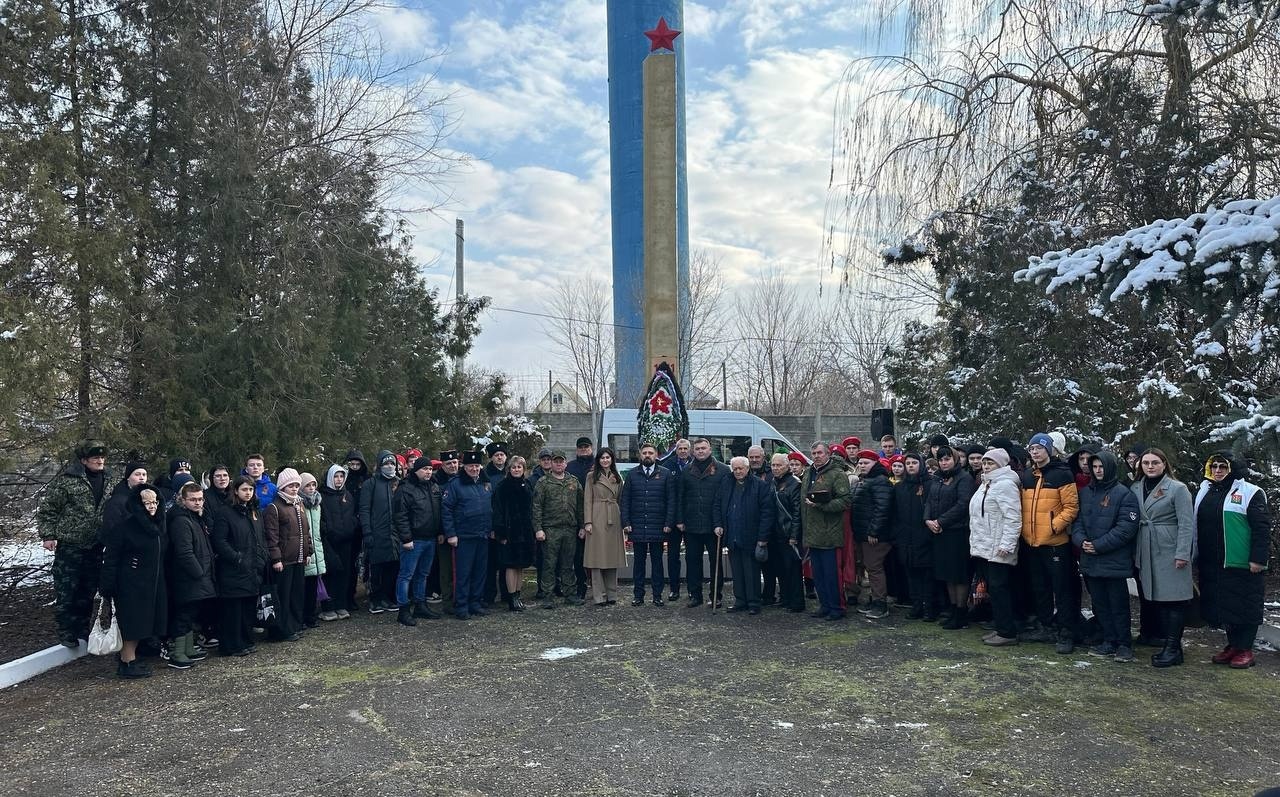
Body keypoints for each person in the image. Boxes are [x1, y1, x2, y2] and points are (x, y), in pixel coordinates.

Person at [1196, 451, 1271, 670]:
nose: (1218, 471)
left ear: (1233, 469)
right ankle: (1233, 645)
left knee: (1245, 604)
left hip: (1241, 561)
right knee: (1224, 604)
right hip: (1212, 560)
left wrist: (1258, 558)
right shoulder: (1205, 490)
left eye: (1223, 467)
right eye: (1215, 466)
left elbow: (1261, 529)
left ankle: (1245, 648)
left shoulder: (1251, 492)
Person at [38, 440, 112, 648]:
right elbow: (48, 510)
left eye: (102, 457)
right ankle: (66, 631)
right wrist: (48, 535)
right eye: (95, 457)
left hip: (96, 544)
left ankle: (82, 629)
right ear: (83, 460)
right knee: (67, 589)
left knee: (87, 591)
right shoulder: (67, 482)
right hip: (71, 544)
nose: (100, 461)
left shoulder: (110, 480)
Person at [1071, 451, 1140, 662]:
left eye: (1101, 467)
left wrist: (1099, 545)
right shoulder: (1085, 493)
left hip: (1113, 560)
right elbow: (1078, 522)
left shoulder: (1124, 494)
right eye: (1095, 467)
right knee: (1099, 603)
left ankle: (1123, 644)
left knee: (1118, 604)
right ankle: (1108, 640)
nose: (1098, 471)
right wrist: (1082, 541)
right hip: (1090, 559)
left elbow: (1126, 528)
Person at [1131, 447, 1195, 667]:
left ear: (1164, 464)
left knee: (1174, 600)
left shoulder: (1178, 488)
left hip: (1170, 548)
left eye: (1155, 462)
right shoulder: (1136, 487)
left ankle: (1173, 648)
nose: (1150, 466)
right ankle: (1167, 643)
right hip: (1146, 547)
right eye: (1146, 462)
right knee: (1157, 598)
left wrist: (1183, 553)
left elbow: (1187, 523)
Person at [1019, 433, 1081, 653]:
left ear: (1049, 450)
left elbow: (1071, 507)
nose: (1035, 452)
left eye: (1039, 448)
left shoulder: (1063, 474)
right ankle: (1045, 625)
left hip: (1055, 542)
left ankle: (1066, 631)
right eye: (1032, 448)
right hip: (1032, 542)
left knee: (1061, 589)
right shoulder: (1028, 475)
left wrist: (1054, 526)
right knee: (1040, 587)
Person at [99, 484, 168, 678]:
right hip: (131, 583)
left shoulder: (159, 525)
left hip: (152, 581)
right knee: (133, 622)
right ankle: (127, 660)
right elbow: (111, 558)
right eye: (147, 503)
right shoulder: (125, 528)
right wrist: (108, 585)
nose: (152, 506)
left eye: (155, 502)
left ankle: (131, 657)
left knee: (145, 621)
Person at [968, 449, 1023, 646]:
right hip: (985, 546)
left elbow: (1013, 517)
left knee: (1000, 589)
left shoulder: (1006, 484)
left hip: (999, 548)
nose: (986, 466)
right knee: (993, 588)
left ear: (1001, 464)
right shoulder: (986, 484)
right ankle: (1001, 627)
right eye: (985, 463)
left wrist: (1007, 544)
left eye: (991, 463)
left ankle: (1007, 632)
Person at [210, 476, 268, 657]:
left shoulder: (254, 511)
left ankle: (245, 640)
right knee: (233, 610)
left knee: (247, 608)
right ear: (236, 491)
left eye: (250, 490)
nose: (248, 493)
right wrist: (236, 558)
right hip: (234, 569)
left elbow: (261, 537)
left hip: (252, 568)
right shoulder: (225, 512)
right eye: (244, 489)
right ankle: (232, 645)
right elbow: (219, 540)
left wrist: (262, 556)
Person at [714, 456, 775, 614]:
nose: (738, 471)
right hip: (732, 534)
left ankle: (754, 602)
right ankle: (740, 600)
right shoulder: (727, 484)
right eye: (735, 469)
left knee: (751, 571)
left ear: (748, 469)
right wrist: (718, 524)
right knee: (737, 571)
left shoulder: (759, 486)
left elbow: (767, 513)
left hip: (751, 536)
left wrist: (762, 538)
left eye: (741, 468)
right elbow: (717, 504)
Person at [800, 442, 853, 621]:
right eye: (813, 453)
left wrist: (822, 505)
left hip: (829, 532)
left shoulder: (837, 474)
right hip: (812, 533)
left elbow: (845, 501)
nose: (816, 456)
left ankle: (837, 607)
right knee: (818, 574)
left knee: (832, 574)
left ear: (828, 454)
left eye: (820, 452)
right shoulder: (808, 473)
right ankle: (824, 605)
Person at [166, 482, 215, 669]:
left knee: (191, 612)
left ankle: (188, 648)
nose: (197, 503)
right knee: (183, 613)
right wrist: (199, 572)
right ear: (183, 500)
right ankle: (178, 653)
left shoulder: (196, 518)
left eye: (200, 499)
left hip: (198, 575)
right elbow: (184, 552)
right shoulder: (180, 521)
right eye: (193, 499)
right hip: (188, 576)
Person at [926, 446, 976, 630]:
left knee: (958, 574)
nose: (944, 462)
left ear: (954, 459)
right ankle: (953, 609)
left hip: (957, 532)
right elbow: (930, 500)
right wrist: (928, 520)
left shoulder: (964, 478)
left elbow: (963, 504)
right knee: (947, 573)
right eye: (941, 459)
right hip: (939, 532)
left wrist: (941, 521)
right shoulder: (938, 478)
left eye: (947, 459)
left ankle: (961, 612)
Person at [675, 438, 729, 607]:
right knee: (692, 561)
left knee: (716, 563)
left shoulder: (722, 470)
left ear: (710, 449)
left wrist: (722, 523)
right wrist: (680, 519)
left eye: (703, 448)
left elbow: (726, 500)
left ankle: (716, 595)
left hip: (714, 526)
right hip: (691, 524)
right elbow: (680, 497)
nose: (700, 451)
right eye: (697, 448)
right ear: (693, 451)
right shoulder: (686, 471)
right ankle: (695, 594)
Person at [621, 443, 676, 606]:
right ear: (640, 455)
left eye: (650, 453)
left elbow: (671, 501)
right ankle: (638, 595)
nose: (647, 455)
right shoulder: (632, 475)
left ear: (656, 455)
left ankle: (657, 595)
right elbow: (625, 500)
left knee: (657, 563)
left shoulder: (665, 474)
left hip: (658, 526)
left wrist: (668, 522)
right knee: (638, 564)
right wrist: (626, 522)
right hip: (637, 526)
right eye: (644, 452)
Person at [442, 450, 494, 620]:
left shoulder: (485, 482)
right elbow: (447, 510)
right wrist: (451, 534)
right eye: (471, 466)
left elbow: (490, 508)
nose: (474, 469)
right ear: (464, 467)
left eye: (477, 466)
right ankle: (461, 605)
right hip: (463, 536)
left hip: (482, 534)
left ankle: (475, 603)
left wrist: (491, 528)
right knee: (463, 573)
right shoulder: (455, 484)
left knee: (480, 572)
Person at [264, 468, 313, 641]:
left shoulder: (299, 504)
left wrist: (309, 551)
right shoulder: (274, 507)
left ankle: (294, 625)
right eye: (290, 485)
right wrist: (276, 558)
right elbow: (272, 535)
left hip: (299, 558)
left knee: (296, 595)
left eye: (296, 485)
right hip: (284, 560)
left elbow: (305, 531)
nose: (293, 488)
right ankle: (281, 630)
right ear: (282, 487)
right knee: (282, 597)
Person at [532, 450, 586, 609]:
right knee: (549, 564)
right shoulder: (543, 482)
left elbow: (581, 507)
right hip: (550, 530)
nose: (558, 464)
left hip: (570, 529)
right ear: (552, 464)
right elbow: (536, 508)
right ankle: (547, 595)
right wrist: (538, 529)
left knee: (568, 564)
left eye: (561, 461)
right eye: (555, 461)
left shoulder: (574, 482)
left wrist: (582, 526)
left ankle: (570, 594)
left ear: (565, 463)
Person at [393, 457, 443, 625]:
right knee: (406, 575)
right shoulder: (406, 489)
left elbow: (439, 511)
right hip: (413, 540)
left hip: (430, 538)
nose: (428, 472)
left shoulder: (434, 486)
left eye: (430, 469)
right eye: (425, 469)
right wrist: (406, 538)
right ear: (416, 470)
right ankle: (403, 609)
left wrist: (440, 532)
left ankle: (420, 605)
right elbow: (400, 515)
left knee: (423, 574)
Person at [850, 449, 894, 620]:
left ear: (875, 463)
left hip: (875, 536)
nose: (862, 465)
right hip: (863, 534)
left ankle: (880, 604)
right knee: (870, 567)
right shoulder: (865, 480)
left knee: (874, 569)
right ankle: (874, 599)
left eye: (866, 463)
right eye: (860, 463)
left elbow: (882, 509)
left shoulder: (880, 481)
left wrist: (874, 531)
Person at [892, 452, 935, 620]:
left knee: (927, 574)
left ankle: (929, 608)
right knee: (911, 574)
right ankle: (916, 605)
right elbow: (894, 513)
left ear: (921, 464)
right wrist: (898, 534)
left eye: (914, 462)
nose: (910, 466)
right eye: (908, 463)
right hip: (905, 536)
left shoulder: (930, 485)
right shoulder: (900, 487)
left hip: (924, 535)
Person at [583, 448, 627, 607]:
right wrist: (587, 522)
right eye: (602, 458)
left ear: (612, 459)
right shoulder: (591, 476)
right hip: (597, 516)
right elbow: (587, 500)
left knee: (611, 557)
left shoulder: (617, 477)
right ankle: (599, 596)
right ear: (598, 460)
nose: (605, 460)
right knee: (597, 558)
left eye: (608, 457)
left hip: (614, 517)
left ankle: (612, 594)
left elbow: (621, 499)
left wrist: (624, 521)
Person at [491, 456, 536, 611]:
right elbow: (497, 511)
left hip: (525, 531)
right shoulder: (503, 486)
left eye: (519, 467)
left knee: (520, 566)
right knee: (510, 565)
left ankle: (518, 594)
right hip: (510, 531)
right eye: (513, 467)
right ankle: (511, 598)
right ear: (509, 469)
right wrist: (501, 533)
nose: (516, 470)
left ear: (524, 469)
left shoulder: (527, 484)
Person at [360, 451, 401, 614]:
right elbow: (364, 509)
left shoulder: (398, 483)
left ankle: (388, 597)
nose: (389, 466)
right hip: (377, 532)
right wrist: (367, 532)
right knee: (377, 568)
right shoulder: (371, 484)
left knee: (393, 567)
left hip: (396, 533)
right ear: (380, 465)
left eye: (392, 463)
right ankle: (375, 599)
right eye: (386, 464)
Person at [318, 464, 357, 620]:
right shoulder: (322, 496)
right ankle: (328, 607)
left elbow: (354, 515)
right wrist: (328, 531)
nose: (339, 479)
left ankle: (341, 605)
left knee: (344, 573)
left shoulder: (348, 495)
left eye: (341, 476)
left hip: (346, 541)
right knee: (330, 574)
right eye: (336, 476)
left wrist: (352, 526)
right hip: (329, 542)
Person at [768, 453, 805, 612]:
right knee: (780, 569)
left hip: (788, 533)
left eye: (779, 465)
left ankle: (796, 602)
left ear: (787, 466)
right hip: (775, 533)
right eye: (773, 465)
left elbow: (797, 512)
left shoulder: (794, 483)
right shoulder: (772, 482)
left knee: (793, 569)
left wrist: (794, 535)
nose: (775, 468)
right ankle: (785, 597)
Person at [565, 437, 594, 601]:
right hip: (576, 517)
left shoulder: (598, 464)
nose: (584, 449)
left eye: (586, 447)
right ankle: (580, 586)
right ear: (577, 449)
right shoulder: (570, 467)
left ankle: (598, 586)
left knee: (596, 554)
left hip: (596, 515)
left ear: (591, 448)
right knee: (577, 556)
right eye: (581, 447)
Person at [483, 442, 509, 608]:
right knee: (491, 564)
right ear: (491, 457)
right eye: (496, 455)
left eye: (502, 454)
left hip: (507, 524)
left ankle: (507, 593)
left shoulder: (511, 471)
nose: (500, 457)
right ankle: (489, 595)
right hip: (492, 524)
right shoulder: (485, 475)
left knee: (506, 562)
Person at [299, 472, 327, 628]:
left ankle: (311, 616)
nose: (310, 488)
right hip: (305, 550)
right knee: (302, 588)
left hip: (317, 548)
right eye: (307, 485)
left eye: (313, 485)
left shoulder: (317, 505)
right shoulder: (299, 504)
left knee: (312, 587)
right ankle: (302, 617)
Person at [102, 461, 149, 534]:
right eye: (137, 474)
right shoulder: (118, 500)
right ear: (128, 478)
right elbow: (111, 528)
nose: (142, 478)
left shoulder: (148, 496)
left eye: (144, 475)